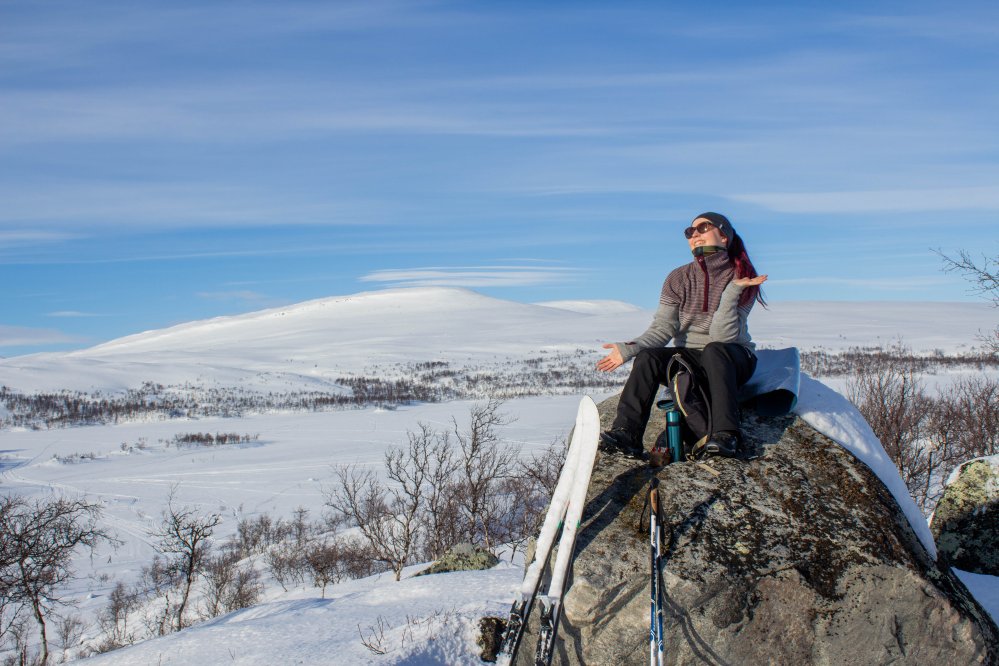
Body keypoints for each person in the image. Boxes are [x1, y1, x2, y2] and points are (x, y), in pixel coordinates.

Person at [596, 212, 767, 459]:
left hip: (733, 358)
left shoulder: (742, 276)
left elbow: (723, 336)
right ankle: (627, 434)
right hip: (692, 358)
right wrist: (630, 348)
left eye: (703, 228)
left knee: (714, 350)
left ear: (724, 236)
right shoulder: (678, 278)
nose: (694, 234)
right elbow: (663, 328)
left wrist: (732, 292)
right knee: (648, 358)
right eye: (690, 232)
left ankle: (727, 434)